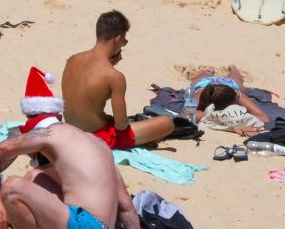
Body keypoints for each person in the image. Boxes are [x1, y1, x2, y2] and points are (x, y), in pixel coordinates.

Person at [0, 74, 147, 229]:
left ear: (29, 117)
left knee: (12, 187)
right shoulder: (96, 143)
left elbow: (3, 149)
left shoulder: (48, 133)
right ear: (59, 116)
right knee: (35, 176)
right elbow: (126, 205)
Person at [62, 9, 193, 149]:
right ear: (117, 39)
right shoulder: (114, 76)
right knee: (167, 123)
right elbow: (121, 124)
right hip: (96, 137)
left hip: (69, 129)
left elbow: (86, 93)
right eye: (124, 42)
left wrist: (109, 64)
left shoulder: (72, 59)